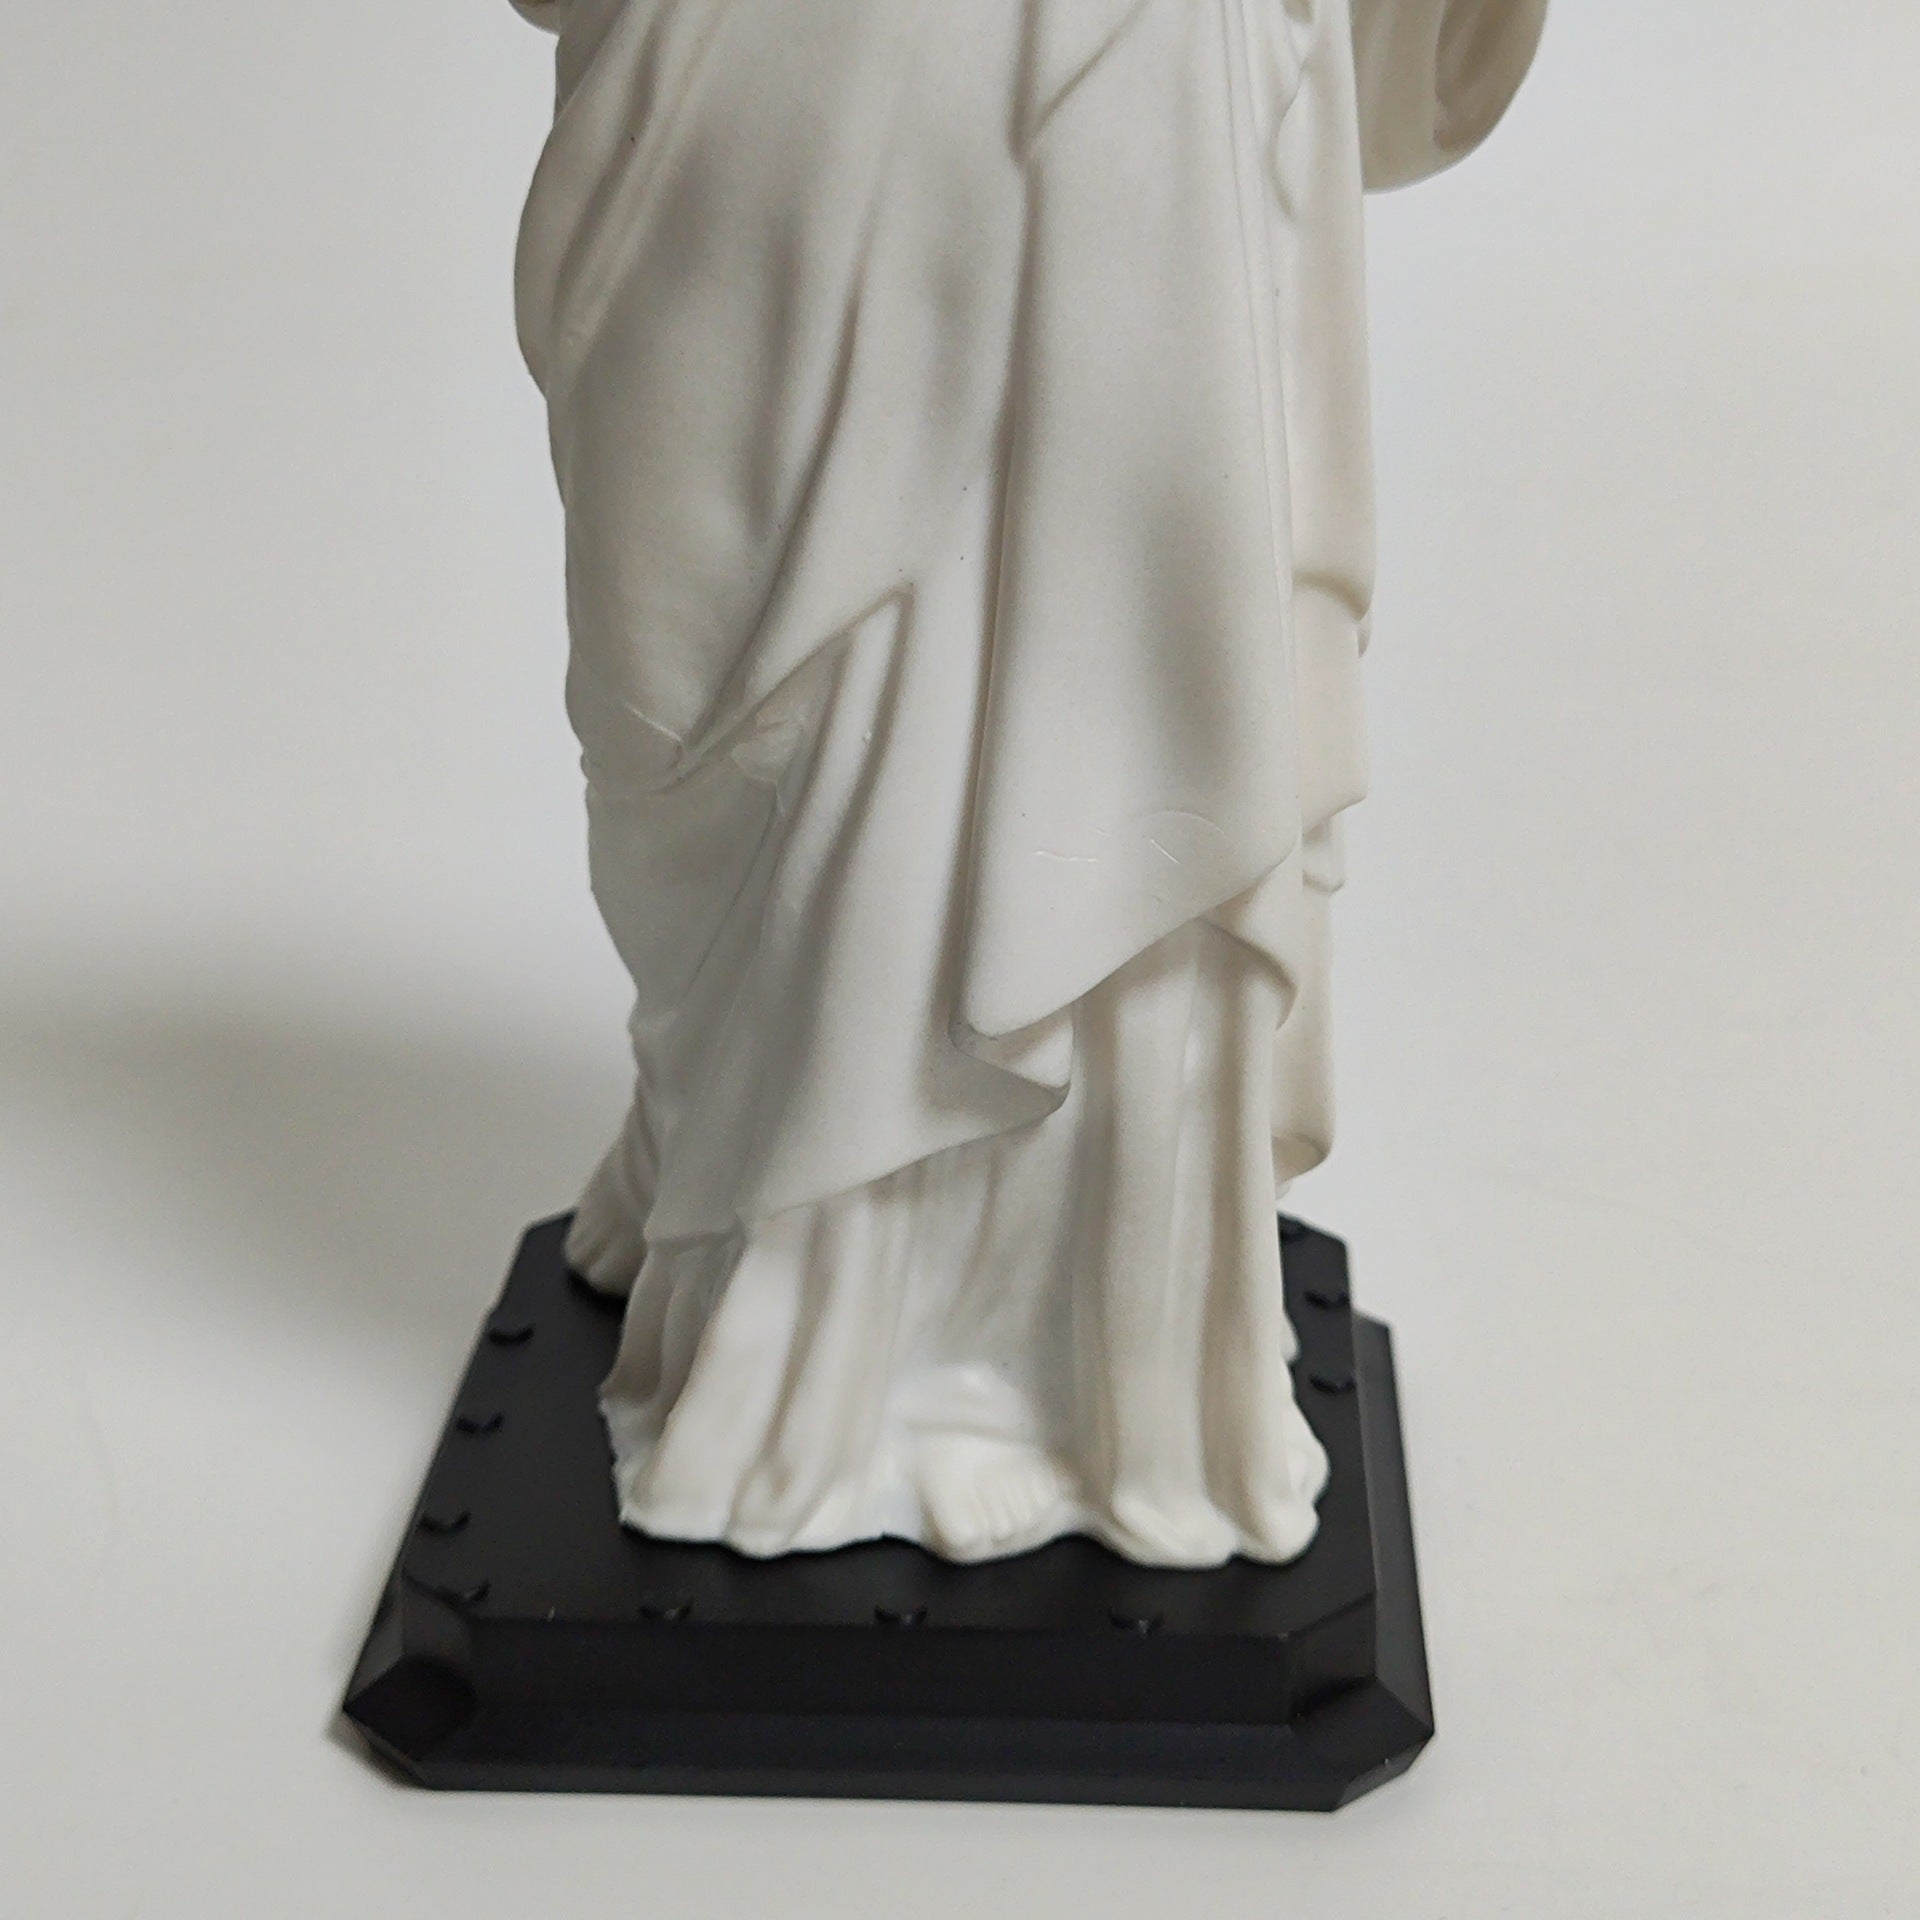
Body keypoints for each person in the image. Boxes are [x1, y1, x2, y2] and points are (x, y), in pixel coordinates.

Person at [509, 0, 1546, 1566]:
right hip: (788, 83)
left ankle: (993, 1351)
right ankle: (743, 1181)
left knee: (1099, 662)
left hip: (1132, 93)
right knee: (743, 684)